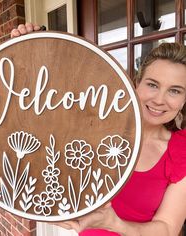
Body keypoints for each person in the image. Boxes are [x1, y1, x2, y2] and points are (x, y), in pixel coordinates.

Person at [11, 23, 186, 236]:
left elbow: (167, 229)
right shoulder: (95, 126)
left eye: (175, 91)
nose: (159, 99)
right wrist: (31, 48)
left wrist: (115, 224)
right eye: (152, 84)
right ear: (136, 83)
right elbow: (47, 103)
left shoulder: (180, 152)